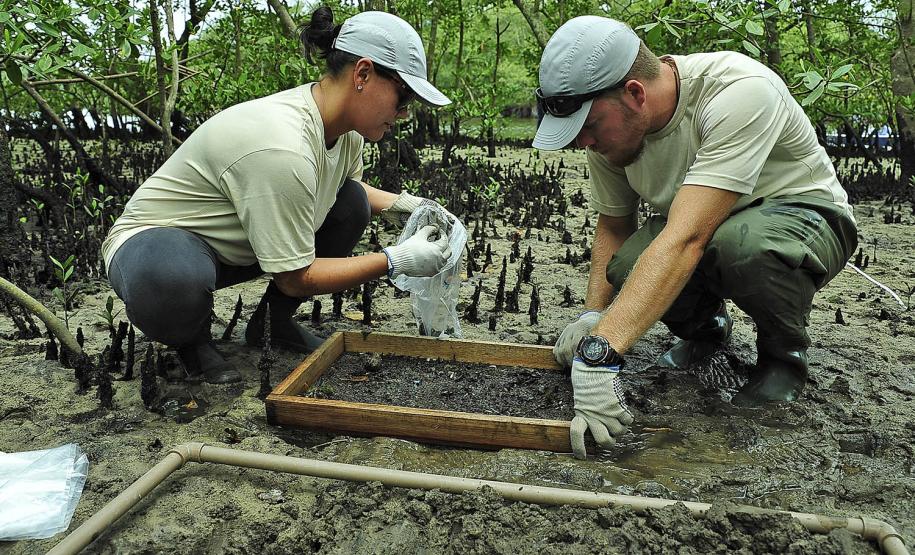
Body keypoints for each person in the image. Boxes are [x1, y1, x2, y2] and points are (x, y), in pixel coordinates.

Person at [534, 16, 857, 459]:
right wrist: (593, 317)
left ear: (635, 93)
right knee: (628, 265)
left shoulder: (739, 91)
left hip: (804, 218)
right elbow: (614, 225)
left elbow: (687, 240)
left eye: (588, 126)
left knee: (743, 248)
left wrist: (601, 355)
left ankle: (783, 358)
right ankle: (707, 332)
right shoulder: (609, 135)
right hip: (700, 223)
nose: (582, 142)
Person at [101, 8, 454, 384]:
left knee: (352, 202)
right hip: (157, 248)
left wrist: (408, 205)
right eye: (403, 96)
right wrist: (396, 260)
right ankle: (193, 344)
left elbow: (339, 187)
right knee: (171, 279)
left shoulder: (347, 132)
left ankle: (272, 323)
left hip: (238, 247)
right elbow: (295, 278)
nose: (404, 113)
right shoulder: (283, 146)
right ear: (363, 74)